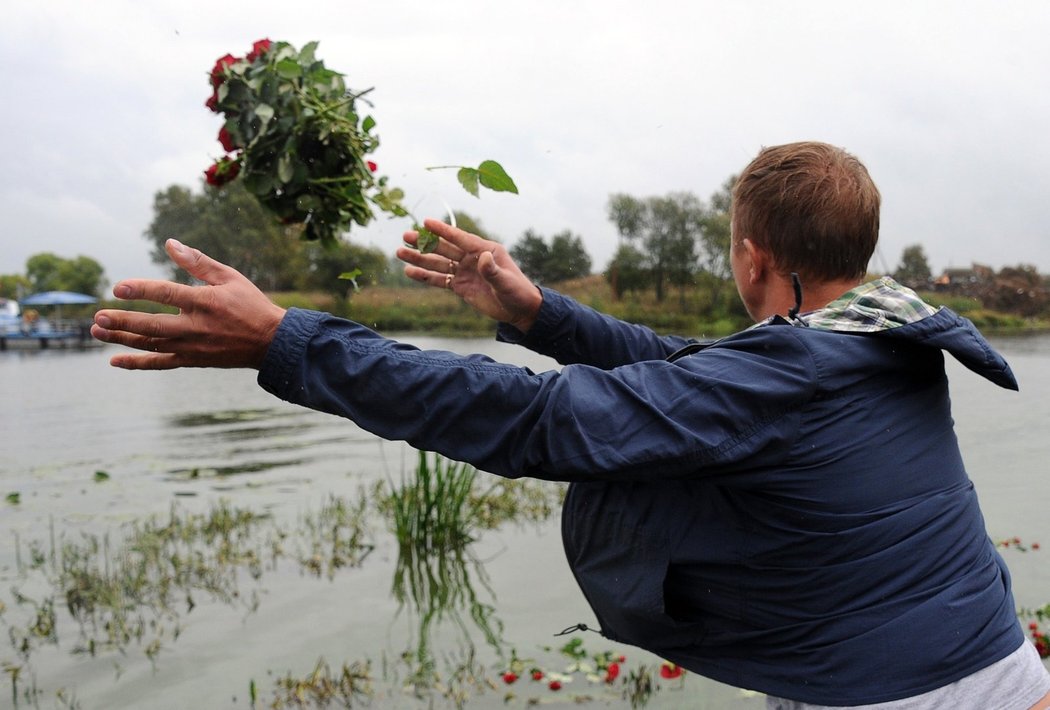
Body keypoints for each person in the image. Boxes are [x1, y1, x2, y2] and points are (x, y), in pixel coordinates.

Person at [92, 141, 1050, 709]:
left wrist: (288, 342)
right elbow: (694, 368)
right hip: (991, 666)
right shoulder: (882, 332)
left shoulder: (799, 364)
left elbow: (535, 418)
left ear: (753, 258)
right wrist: (537, 312)